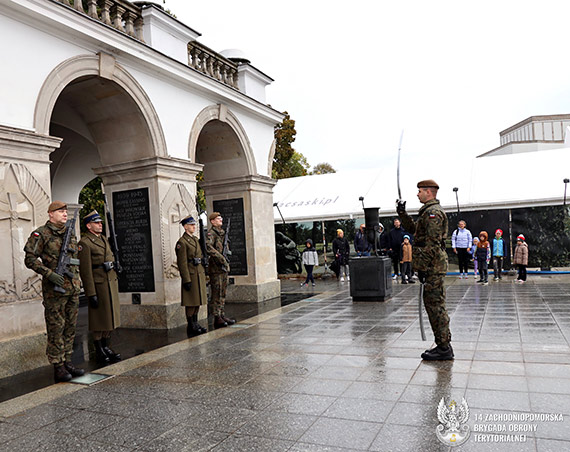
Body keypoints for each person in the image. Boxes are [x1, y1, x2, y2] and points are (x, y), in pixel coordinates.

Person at [24, 201, 85, 382]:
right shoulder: (41, 234)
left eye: (66, 211)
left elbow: (74, 260)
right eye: (60, 211)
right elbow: (30, 259)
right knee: (56, 327)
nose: (65, 214)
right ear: (51, 214)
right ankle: (57, 365)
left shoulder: (69, 233)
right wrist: (49, 274)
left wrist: (77, 282)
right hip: (54, 291)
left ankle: (67, 360)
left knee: (70, 327)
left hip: (72, 288)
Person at [397, 179, 453, 360]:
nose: (417, 194)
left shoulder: (433, 214)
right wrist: (402, 214)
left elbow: (432, 244)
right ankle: (442, 345)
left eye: (420, 191)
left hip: (433, 266)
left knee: (436, 306)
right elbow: (415, 230)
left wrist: (422, 266)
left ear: (428, 192)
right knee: (432, 305)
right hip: (432, 266)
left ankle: (444, 347)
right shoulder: (427, 212)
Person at [78, 211, 121, 364]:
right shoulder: (85, 243)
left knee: (110, 317)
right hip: (98, 284)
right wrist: (90, 293)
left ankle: (106, 345)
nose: (100, 224)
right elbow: (85, 270)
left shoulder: (103, 239)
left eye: (100, 222)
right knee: (99, 319)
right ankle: (99, 348)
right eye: (96, 223)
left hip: (110, 282)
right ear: (89, 226)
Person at [175, 215, 208, 337]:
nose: (194, 227)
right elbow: (182, 263)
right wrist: (186, 279)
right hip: (191, 275)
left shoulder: (195, 240)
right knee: (191, 302)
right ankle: (191, 325)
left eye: (194, 225)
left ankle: (195, 322)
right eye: (191, 225)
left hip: (199, 273)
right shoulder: (182, 242)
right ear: (185, 227)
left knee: (198, 301)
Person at [206, 212, 235, 328]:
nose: (220, 219)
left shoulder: (222, 233)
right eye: (218, 218)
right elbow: (208, 247)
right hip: (216, 268)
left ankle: (222, 314)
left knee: (223, 292)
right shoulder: (211, 233)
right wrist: (221, 258)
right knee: (216, 293)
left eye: (220, 218)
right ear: (212, 221)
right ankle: (216, 317)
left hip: (223, 268)